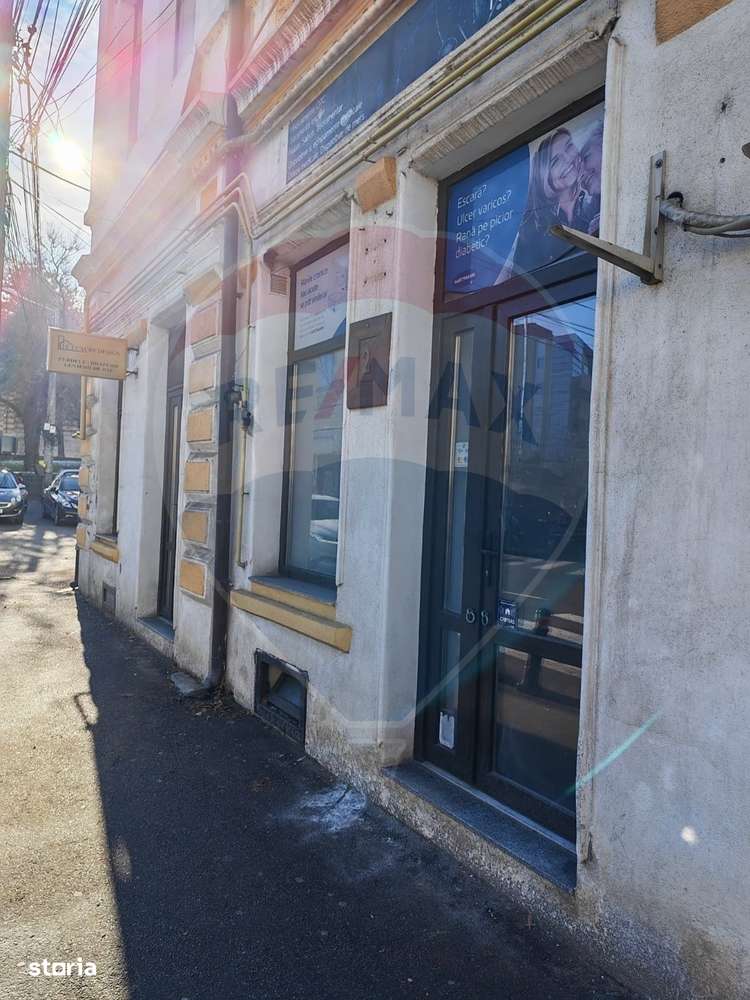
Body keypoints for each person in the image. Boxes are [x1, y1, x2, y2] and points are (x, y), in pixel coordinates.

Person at [510, 127, 588, 275]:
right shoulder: (533, 230)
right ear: (545, 177)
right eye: (555, 161)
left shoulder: (590, 204)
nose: (568, 159)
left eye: (569, 147)